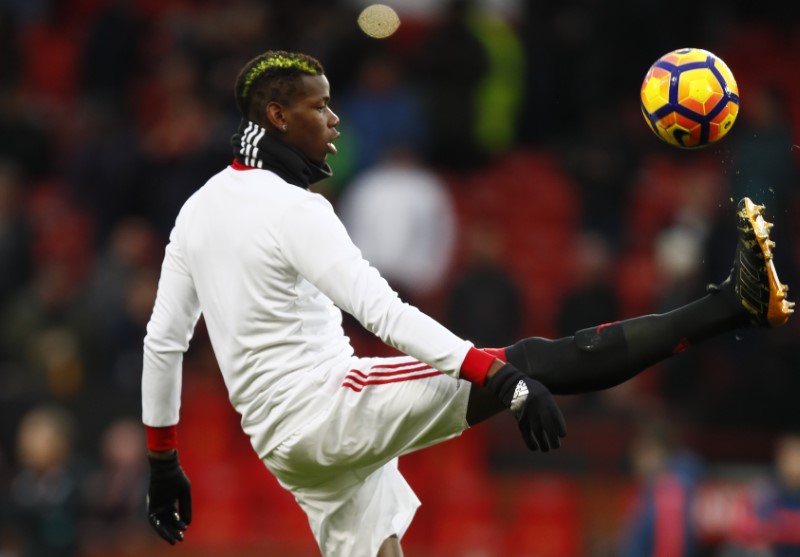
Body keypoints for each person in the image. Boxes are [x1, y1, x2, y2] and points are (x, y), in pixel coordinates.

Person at [140, 50, 794, 557]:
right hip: (328, 405)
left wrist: (165, 463)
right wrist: (499, 374)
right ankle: (731, 305)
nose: (336, 120)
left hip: (282, 444)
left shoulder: (197, 211)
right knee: (535, 360)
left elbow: (163, 342)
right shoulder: (294, 207)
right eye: (320, 107)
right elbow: (383, 313)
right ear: (278, 117)